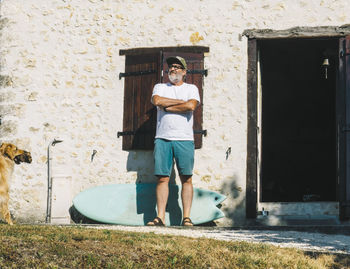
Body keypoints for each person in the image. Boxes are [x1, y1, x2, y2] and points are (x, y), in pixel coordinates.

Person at [147, 56, 200, 227]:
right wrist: (180, 103)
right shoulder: (160, 86)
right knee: (162, 178)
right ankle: (160, 217)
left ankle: (186, 218)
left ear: (184, 72)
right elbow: (156, 101)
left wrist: (167, 106)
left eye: (178, 67)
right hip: (162, 138)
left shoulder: (191, 88)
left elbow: (191, 106)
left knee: (187, 178)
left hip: (184, 139)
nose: (173, 69)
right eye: (171, 67)